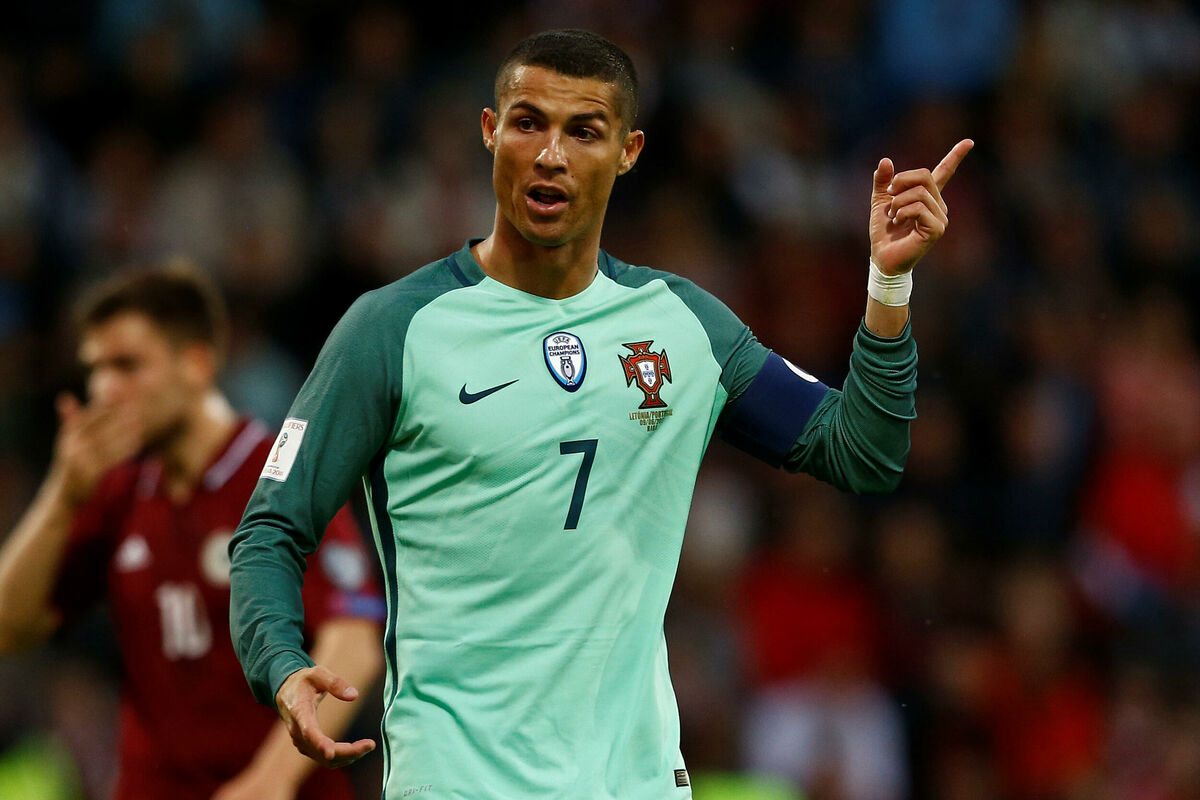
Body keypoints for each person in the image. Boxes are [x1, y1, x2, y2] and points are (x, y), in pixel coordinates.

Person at [229, 28, 973, 800]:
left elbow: (862, 453)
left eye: (584, 131)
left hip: (635, 781)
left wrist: (889, 287)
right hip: (457, 780)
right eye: (528, 123)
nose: (551, 154)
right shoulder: (394, 329)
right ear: (490, 132)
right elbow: (270, 529)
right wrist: (279, 665)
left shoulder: (682, 325)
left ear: (628, 151)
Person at [0, 264, 384, 800]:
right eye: (95, 369)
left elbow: (355, 642)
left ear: (196, 364)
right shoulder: (118, 491)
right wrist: (61, 494)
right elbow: (9, 627)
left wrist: (270, 780)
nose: (103, 389)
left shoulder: (276, 473)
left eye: (126, 365)